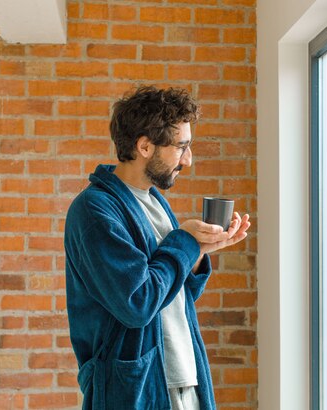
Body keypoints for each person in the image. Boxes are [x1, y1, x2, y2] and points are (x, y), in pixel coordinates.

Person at [64, 85, 250, 410]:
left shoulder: (156, 203)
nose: (188, 161)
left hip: (183, 379)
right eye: (181, 147)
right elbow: (137, 302)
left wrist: (199, 251)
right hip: (137, 388)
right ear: (145, 146)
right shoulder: (94, 211)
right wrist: (186, 241)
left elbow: (173, 296)